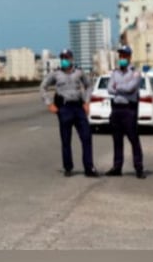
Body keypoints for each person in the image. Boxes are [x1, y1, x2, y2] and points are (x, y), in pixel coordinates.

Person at [39, 49, 99, 177]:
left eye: (66, 57)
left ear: (71, 59)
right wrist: (49, 103)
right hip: (64, 108)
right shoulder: (56, 74)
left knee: (86, 137)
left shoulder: (79, 72)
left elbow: (89, 85)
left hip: (78, 107)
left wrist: (87, 101)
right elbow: (43, 87)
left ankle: (89, 167)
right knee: (66, 139)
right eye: (62, 58)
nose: (64, 60)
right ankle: (68, 167)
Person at [106, 45, 146, 179]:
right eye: (120, 55)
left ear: (129, 57)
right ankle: (117, 167)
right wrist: (121, 87)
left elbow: (130, 88)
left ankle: (139, 167)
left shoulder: (135, 72)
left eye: (124, 55)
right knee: (117, 140)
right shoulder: (115, 73)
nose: (122, 58)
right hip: (116, 109)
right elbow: (109, 89)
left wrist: (117, 86)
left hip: (129, 109)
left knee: (133, 139)